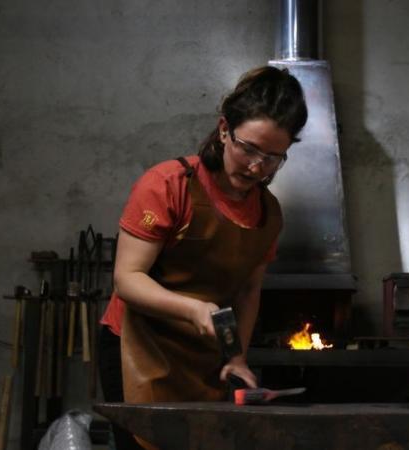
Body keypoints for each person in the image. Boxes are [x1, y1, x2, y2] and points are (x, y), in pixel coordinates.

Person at [98, 65, 308, 450]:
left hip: (203, 356)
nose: (257, 167)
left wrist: (237, 357)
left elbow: (247, 292)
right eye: (249, 149)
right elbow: (127, 279)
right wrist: (194, 310)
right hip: (139, 344)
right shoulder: (169, 185)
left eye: (274, 157)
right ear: (225, 129)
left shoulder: (269, 213)